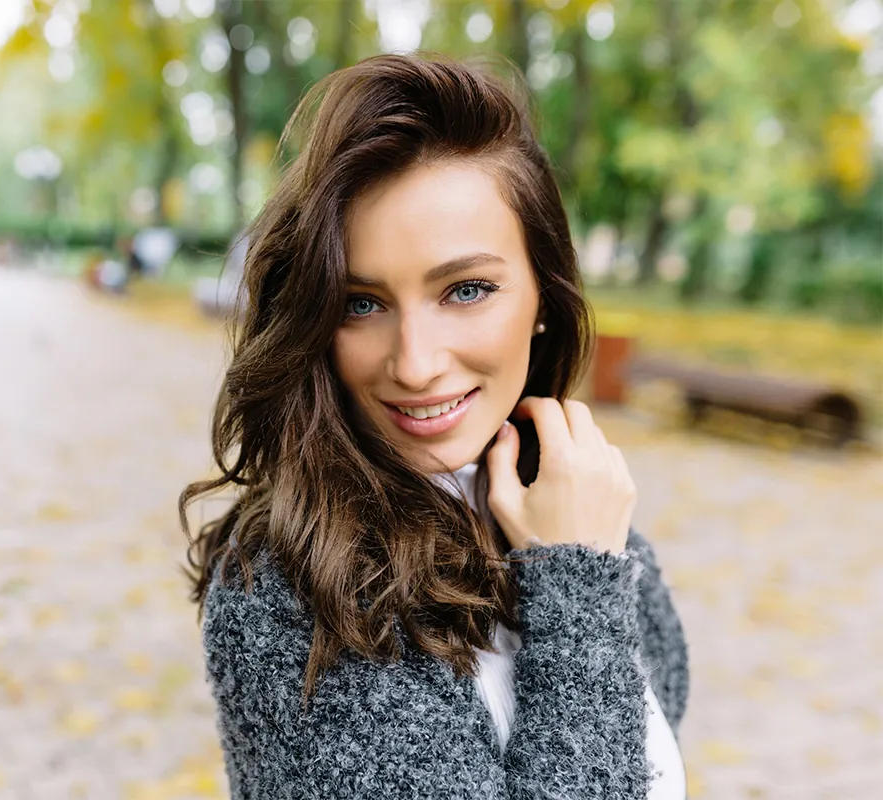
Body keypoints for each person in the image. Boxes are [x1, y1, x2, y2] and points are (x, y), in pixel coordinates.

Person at [179, 52, 690, 799]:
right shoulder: (289, 590)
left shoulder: (587, 516)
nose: (415, 365)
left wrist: (583, 560)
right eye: (361, 303)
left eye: (467, 289)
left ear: (544, 297)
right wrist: (577, 581)